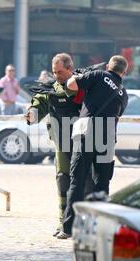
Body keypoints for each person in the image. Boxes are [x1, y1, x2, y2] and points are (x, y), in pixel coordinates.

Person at [57, 55, 129, 239]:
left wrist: (80, 75)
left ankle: (68, 228)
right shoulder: (123, 92)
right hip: (107, 136)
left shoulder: (97, 75)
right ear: (124, 72)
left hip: (87, 131)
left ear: (108, 66)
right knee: (102, 183)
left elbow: (71, 86)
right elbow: (117, 117)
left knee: (77, 180)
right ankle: (100, 228)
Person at [26, 53, 92, 237]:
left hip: (84, 142)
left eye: (60, 72)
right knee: (63, 180)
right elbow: (39, 104)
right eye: (54, 72)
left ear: (70, 69)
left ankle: (85, 223)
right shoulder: (51, 89)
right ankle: (64, 222)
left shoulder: (84, 85)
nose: (57, 76)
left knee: (86, 182)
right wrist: (32, 113)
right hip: (61, 142)